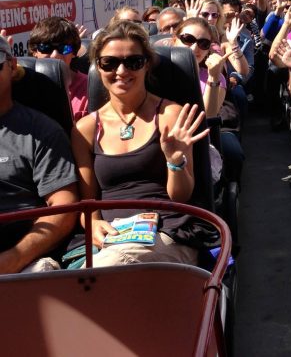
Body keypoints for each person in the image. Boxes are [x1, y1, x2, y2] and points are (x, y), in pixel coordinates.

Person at [71, 20, 212, 267]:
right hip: (110, 238)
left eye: (133, 62)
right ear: (98, 67)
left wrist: (175, 162)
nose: (121, 71)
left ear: (146, 65)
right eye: (109, 63)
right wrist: (92, 224)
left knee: (105, 269)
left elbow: (181, 196)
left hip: (166, 231)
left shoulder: (170, 114)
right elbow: (88, 203)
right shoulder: (85, 129)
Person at [0, 35, 78, 273]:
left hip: (23, 258)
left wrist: (13, 259)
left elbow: (63, 207)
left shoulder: (42, 131)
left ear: (12, 66)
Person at [172, 17, 244, 183]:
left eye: (203, 43)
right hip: (162, 138)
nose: (194, 47)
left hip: (198, 141)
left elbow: (208, 115)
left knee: (233, 153)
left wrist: (213, 77)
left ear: (209, 48)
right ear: (175, 39)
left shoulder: (214, 76)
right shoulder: (158, 72)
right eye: (188, 39)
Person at [28, 17, 89, 120]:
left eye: (64, 49)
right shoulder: (24, 86)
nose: (55, 55)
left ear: (74, 52)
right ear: (34, 51)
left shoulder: (89, 88)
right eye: (46, 47)